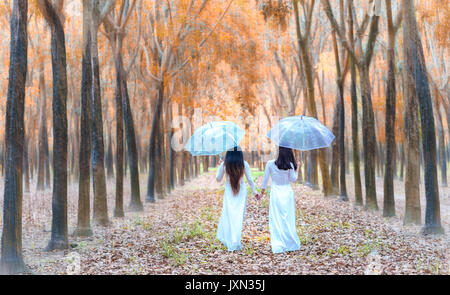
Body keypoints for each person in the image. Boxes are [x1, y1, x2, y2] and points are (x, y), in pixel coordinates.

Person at [257, 146, 301, 253]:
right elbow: (293, 179)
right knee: (288, 218)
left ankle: (278, 244)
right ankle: (290, 243)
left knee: (276, 218)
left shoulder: (270, 164)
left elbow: (265, 180)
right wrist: (297, 167)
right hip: (287, 192)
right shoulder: (290, 165)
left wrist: (261, 194)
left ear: (279, 151)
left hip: (276, 192)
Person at [216, 147, 258, 251]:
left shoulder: (224, 165)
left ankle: (232, 241)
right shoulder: (244, 164)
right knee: (238, 217)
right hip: (241, 192)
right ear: (240, 154)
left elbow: (218, 179)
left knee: (229, 216)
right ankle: (235, 241)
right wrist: (255, 192)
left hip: (229, 192)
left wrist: (220, 166)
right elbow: (250, 180)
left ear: (228, 154)